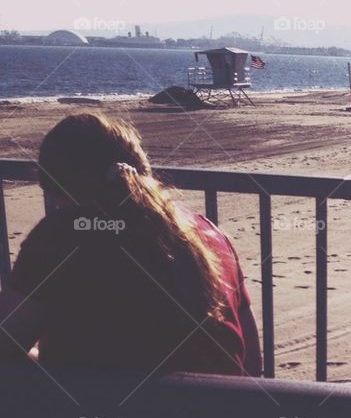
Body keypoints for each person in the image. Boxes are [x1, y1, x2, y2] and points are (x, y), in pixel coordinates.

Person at [0, 112, 261, 376]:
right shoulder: (208, 233)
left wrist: (41, 359)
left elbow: (5, 349)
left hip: (103, 413)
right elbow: (251, 361)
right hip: (223, 412)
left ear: (59, 191)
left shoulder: (59, 237)